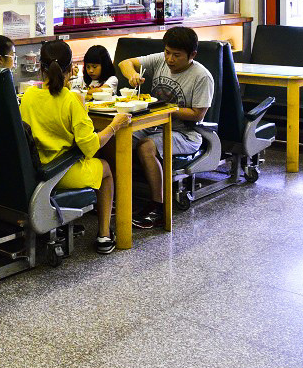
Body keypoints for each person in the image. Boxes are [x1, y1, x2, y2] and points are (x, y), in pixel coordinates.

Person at [19, 40, 131, 254]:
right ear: (72, 69)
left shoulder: (29, 96)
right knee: (106, 169)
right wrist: (115, 126)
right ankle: (104, 234)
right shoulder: (72, 100)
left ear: (42, 68)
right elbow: (90, 146)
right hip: (62, 172)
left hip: (37, 170)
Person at [116, 26, 214, 229]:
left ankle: (158, 206)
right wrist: (132, 74)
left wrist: (165, 109)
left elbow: (198, 114)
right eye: (167, 53)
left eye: (176, 55)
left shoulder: (202, 77)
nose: (170, 59)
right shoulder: (160, 59)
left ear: (192, 55)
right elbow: (125, 63)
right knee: (117, 137)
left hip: (186, 133)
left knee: (146, 147)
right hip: (155, 125)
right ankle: (117, 198)